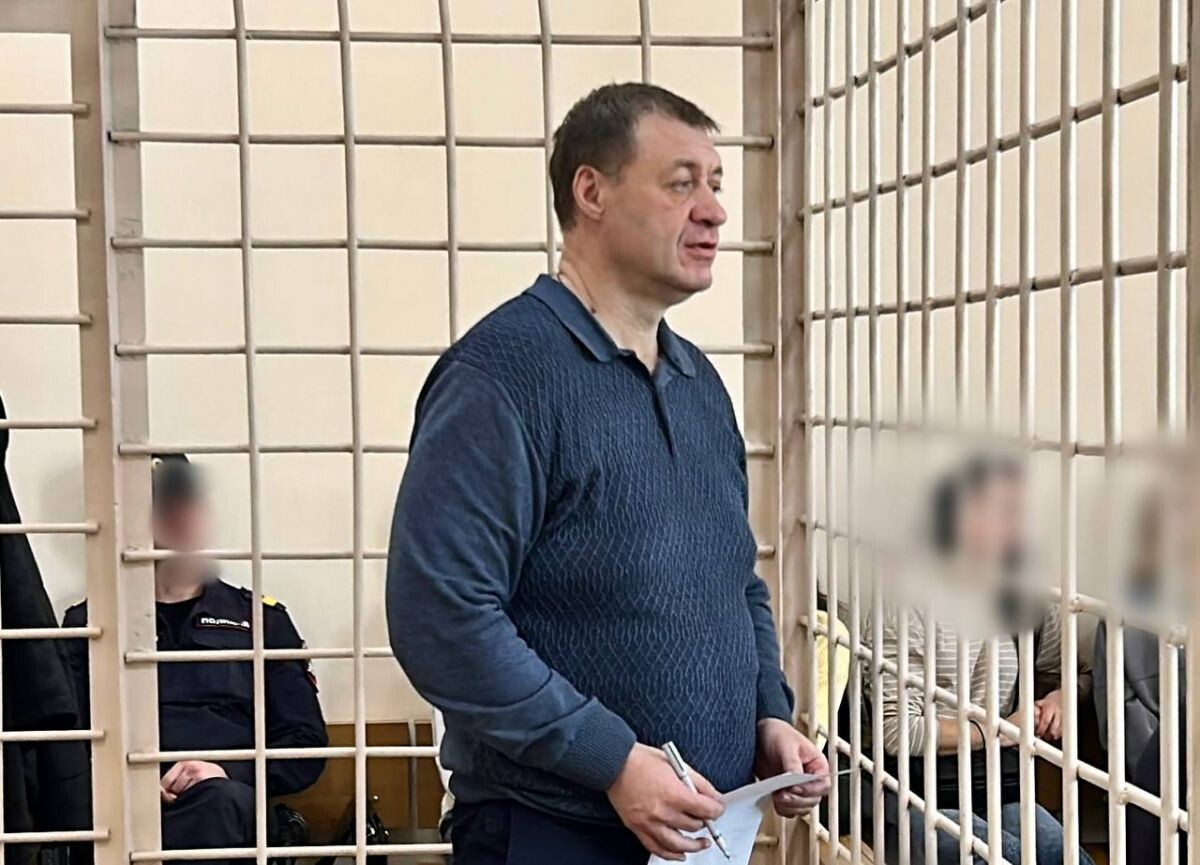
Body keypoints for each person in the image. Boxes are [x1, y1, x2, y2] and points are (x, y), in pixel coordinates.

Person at [386, 82, 830, 864]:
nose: (714, 211)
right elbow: (443, 616)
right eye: (681, 183)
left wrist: (768, 713)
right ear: (590, 191)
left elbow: (736, 582)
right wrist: (612, 759)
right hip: (549, 829)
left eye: (716, 184)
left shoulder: (699, 385)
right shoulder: (500, 376)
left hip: (703, 832)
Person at [62, 454, 327, 860]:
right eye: (161, 510)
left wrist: (226, 771)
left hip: (227, 812)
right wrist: (124, 782)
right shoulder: (92, 624)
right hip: (122, 813)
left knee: (220, 803)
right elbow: (63, 744)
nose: (180, 521)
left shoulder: (260, 621)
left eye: (187, 505)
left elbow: (305, 744)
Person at [872, 455, 1095, 864]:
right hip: (917, 792)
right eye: (1004, 512)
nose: (1019, 527)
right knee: (1002, 857)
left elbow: (1079, 672)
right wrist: (1001, 730)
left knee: (1068, 858)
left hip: (999, 784)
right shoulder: (908, 599)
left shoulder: (1026, 595)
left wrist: (1062, 698)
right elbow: (897, 732)